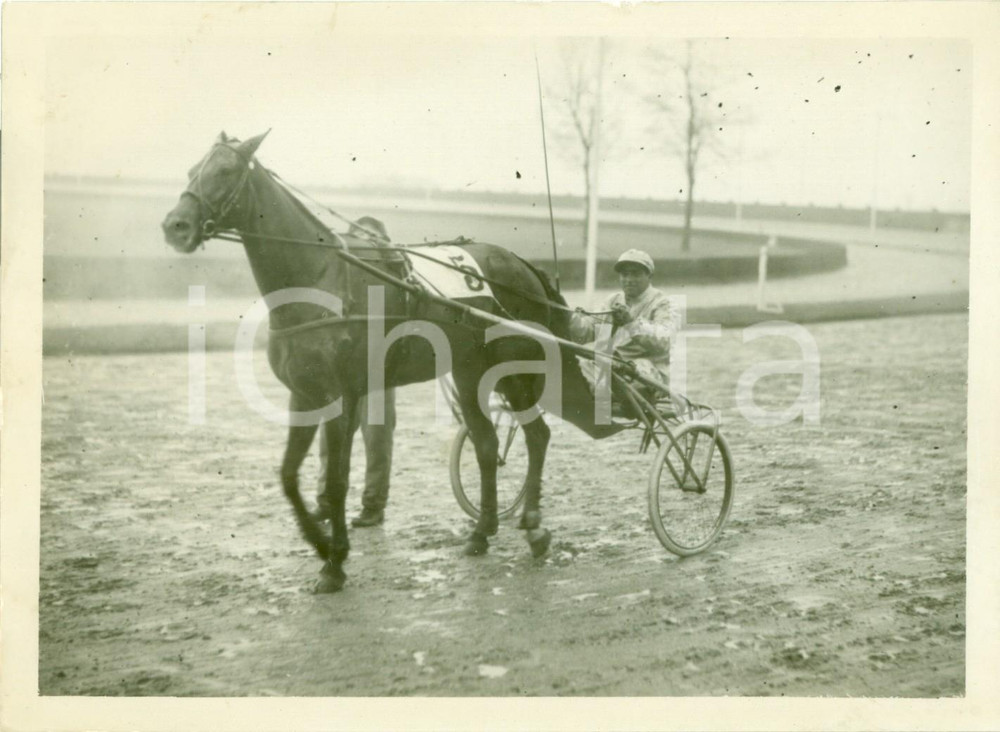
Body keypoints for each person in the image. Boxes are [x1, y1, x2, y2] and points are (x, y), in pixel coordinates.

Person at [315, 216, 396, 528]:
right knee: (331, 440)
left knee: (377, 441)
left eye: (371, 236)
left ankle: (373, 506)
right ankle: (325, 501)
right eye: (359, 236)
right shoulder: (341, 275)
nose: (364, 242)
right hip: (344, 372)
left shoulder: (391, 268)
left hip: (379, 371)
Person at [569, 248, 681, 402]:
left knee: (625, 370)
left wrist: (631, 323)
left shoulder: (663, 302)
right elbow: (587, 332)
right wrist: (568, 317)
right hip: (615, 366)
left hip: (649, 370)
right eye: (624, 274)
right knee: (579, 365)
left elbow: (664, 341)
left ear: (649, 275)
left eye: (635, 274)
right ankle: (601, 400)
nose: (628, 279)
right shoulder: (613, 300)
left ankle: (611, 397)